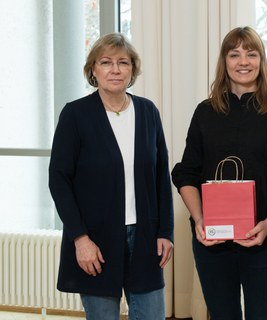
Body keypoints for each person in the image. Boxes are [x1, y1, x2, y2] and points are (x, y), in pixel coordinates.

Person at [171, 26, 267, 320]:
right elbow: (186, 173)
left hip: (266, 241)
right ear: (224, 61)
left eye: (251, 53)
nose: (243, 61)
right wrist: (199, 219)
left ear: (262, 60)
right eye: (234, 54)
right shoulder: (205, 112)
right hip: (213, 243)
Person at [48, 32, 174, 320]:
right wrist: (80, 239)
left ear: (132, 70)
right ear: (93, 69)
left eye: (123, 62)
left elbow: (160, 178)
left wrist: (165, 232)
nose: (115, 70)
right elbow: (59, 179)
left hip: (144, 238)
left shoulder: (148, 112)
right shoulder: (75, 115)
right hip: (96, 240)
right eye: (105, 62)